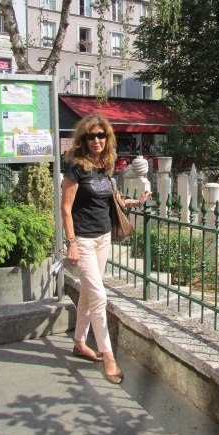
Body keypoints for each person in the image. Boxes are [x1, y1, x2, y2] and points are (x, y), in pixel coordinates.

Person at [61, 114, 151, 384]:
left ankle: (79, 342)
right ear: (83, 139)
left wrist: (136, 202)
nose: (96, 140)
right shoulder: (76, 167)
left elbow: (109, 198)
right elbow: (66, 208)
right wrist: (71, 243)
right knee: (99, 296)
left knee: (90, 293)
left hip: (103, 237)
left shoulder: (104, 166)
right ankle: (108, 355)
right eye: (91, 136)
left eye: (101, 135)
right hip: (84, 241)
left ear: (107, 138)